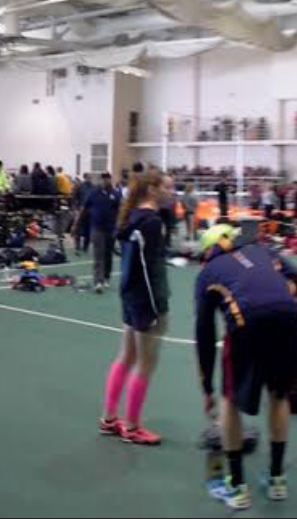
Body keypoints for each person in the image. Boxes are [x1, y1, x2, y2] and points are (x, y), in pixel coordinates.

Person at [196, 223, 297, 510]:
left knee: (230, 401)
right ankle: (276, 479)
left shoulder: (208, 272)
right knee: (279, 395)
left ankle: (236, 486)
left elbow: (204, 333)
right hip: (287, 317)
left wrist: (208, 386)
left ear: (209, 249)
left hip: (246, 324)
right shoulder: (261, 250)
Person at [99, 171, 172, 447]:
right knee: (144, 364)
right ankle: (131, 426)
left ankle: (109, 419)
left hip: (131, 297)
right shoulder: (151, 223)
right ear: (152, 190)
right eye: (167, 187)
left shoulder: (132, 219)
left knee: (126, 357)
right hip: (146, 302)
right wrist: (154, 309)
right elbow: (146, 268)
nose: (171, 192)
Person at [84, 173, 121, 293]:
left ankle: (106, 277)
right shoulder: (93, 193)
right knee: (98, 255)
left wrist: (119, 226)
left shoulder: (115, 194)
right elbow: (84, 208)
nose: (106, 181)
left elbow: (120, 210)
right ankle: (98, 281)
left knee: (108, 254)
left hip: (110, 229)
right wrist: (75, 225)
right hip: (97, 228)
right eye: (104, 179)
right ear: (100, 180)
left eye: (108, 178)